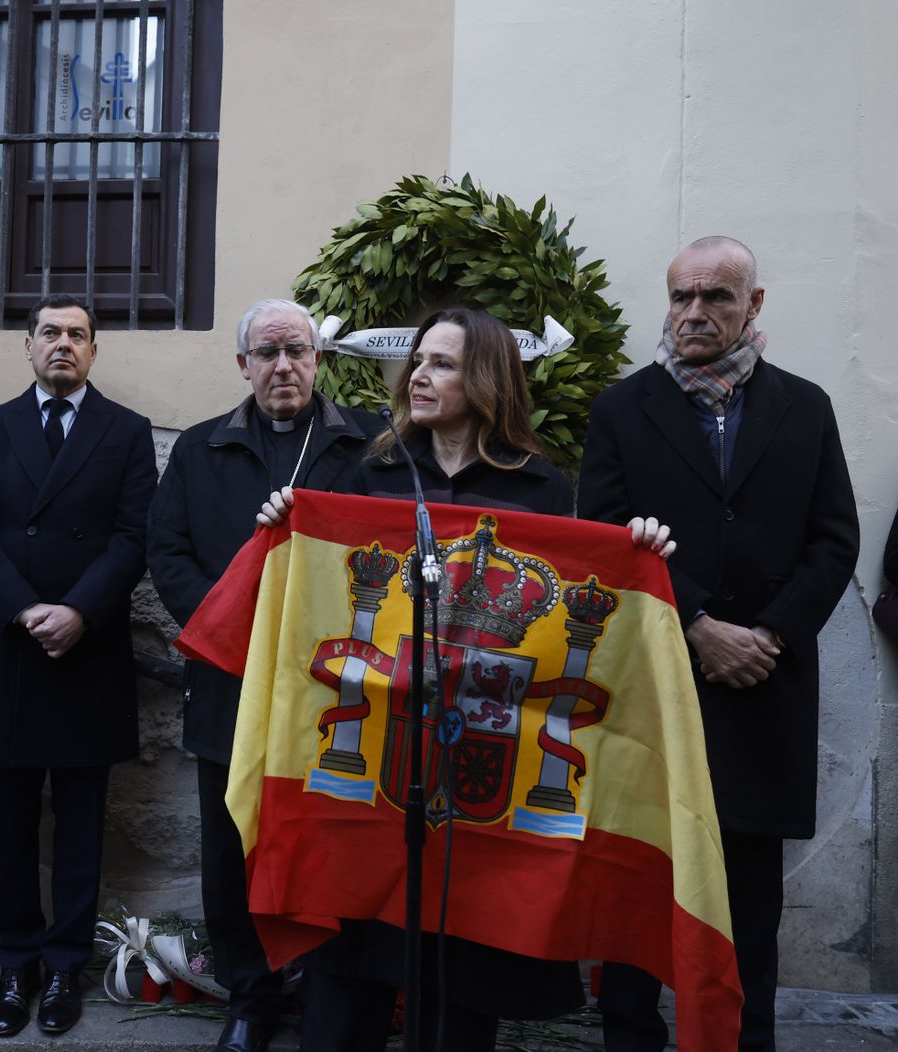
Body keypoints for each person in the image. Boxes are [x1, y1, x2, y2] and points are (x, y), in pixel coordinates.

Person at [257, 307, 674, 1052]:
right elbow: (328, 588)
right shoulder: (371, 472)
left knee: (460, 996)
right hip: (378, 767)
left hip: (481, 777)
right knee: (346, 991)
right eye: (418, 360)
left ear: (486, 378)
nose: (418, 375)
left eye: (441, 363)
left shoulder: (542, 488)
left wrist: (637, 549)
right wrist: (289, 522)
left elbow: (580, 595)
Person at [580, 236, 858, 1051]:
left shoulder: (805, 406)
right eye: (682, 297)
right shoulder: (621, 410)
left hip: (761, 687)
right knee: (637, 880)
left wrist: (767, 634)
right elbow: (605, 535)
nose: (695, 312)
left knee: (748, 901)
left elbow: (834, 540)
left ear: (753, 304)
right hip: (654, 684)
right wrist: (698, 625)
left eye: (717, 297)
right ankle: (630, 1037)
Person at [147, 298, 379, 1052]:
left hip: (334, 688)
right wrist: (233, 630)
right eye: (268, 353)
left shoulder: (368, 444)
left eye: (297, 351)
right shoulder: (200, 448)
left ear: (318, 359)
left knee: (329, 839)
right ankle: (250, 997)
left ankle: (328, 991)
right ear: (242, 364)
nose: (284, 366)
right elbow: (168, 552)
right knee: (231, 845)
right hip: (231, 679)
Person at [0, 294, 156, 1037]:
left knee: (80, 822)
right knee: (8, 821)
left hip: (86, 649)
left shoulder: (126, 431)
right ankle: (17, 965)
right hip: (9, 646)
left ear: (94, 350)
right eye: (49, 333)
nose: (62, 343)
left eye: (76, 334)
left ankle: (66, 963)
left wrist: (79, 611)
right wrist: (25, 608)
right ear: (28, 346)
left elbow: (134, 537)